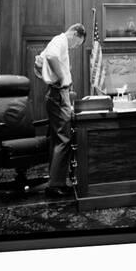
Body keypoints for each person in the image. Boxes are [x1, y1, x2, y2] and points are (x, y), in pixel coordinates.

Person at [35, 23, 86, 198]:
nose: (75, 46)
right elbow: (50, 57)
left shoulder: (57, 42)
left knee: (58, 138)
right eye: (77, 43)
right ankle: (56, 185)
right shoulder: (61, 40)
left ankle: (55, 180)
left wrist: (50, 74)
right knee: (64, 138)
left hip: (56, 93)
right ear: (75, 34)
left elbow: (39, 62)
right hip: (58, 93)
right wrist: (62, 77)